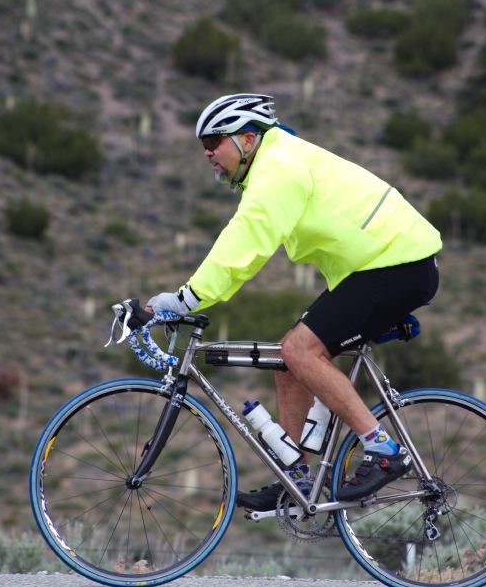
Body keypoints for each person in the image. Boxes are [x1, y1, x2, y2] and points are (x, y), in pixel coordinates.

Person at [147, 93, 441, 511]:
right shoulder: (277, 162)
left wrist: (186, 299)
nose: (208, 153)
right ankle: (296, 479)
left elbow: (246, 242)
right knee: (289, 364)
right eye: (203, 146)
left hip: (398, 264)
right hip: (378, 268)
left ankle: (384, 449)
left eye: (214, 140)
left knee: (299, 350)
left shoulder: (279, 169)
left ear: (248, 139)